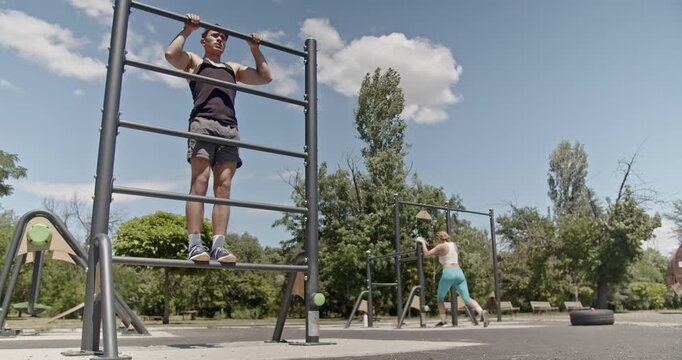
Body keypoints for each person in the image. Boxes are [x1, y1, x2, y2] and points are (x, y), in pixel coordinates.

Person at [165, 14, 272, 263]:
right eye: (215, 36)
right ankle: (194, 244)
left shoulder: (232, 68)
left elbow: (265, 77)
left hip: (230, 129)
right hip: (203, 124)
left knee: (223, 188)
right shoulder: (194, 60)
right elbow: (171, 55)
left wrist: (254, 49)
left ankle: (218, 246)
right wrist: (187, 30)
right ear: (204, 40)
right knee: (200, 183)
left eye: (223, 38)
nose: (220, 40)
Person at [415, 231, 490, 327]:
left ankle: (443, 321)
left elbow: (426, 254)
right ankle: (481, 312)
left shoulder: (440, 246)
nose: (436, 241)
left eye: (437, 239)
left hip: (448, 272)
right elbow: (447, 255)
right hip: (459, 272)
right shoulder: (454, 245)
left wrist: (422, 243)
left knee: (440, 299)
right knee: (467, 298)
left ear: (439, 238)